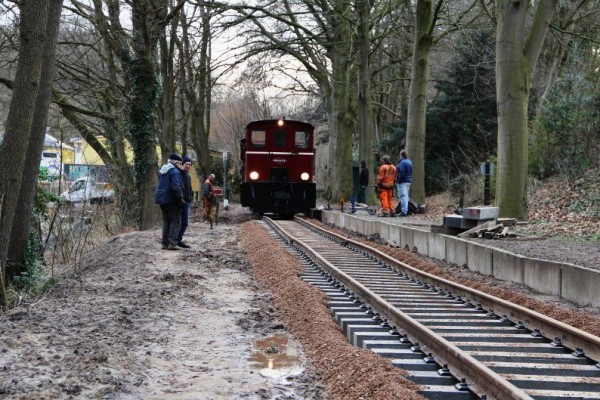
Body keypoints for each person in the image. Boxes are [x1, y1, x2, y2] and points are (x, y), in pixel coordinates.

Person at [155, 154, 185, 250]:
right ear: (176, 162)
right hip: (171, 199)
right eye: (180, 163)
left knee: (166, 222)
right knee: (174, 221)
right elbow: (176, 187)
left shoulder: (162, 170)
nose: (180, 165)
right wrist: (180, 198)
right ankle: (172, 243)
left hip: (161, 199)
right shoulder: (174, 171)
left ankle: (165, 243)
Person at [176, 156, 193, 248]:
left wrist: (191, 198)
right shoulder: (178, 174)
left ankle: (178, 240)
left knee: (185, 222)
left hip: (187, 202)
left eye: (190, 164)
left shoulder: (188, 176)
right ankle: (174, 240)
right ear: (182, 164)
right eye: (187, 164)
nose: (188, 166)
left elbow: (189, 189)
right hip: (179, 201)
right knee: (177, 222)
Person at [396, 149, 413, 216]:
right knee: (406, 196)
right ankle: (406, 210)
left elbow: (401, 173)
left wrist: (399, 181)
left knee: (403, 196)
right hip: (408, 181)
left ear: (401, 155)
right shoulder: (409, 162)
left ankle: (404, 211)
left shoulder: (402, 162)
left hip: (403, 181)